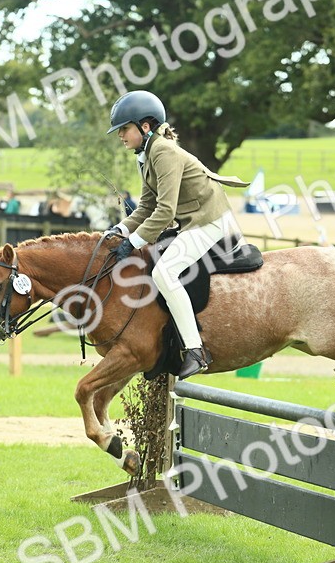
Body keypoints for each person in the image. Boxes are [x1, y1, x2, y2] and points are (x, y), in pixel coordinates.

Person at [104, 90, 249, 378]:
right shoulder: (145, 154)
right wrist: (120, 230)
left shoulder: (163, 151)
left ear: (145, 127)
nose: (120, 136)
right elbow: (146, 205)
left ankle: (195, 350)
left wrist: (133, 242)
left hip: (207, 221)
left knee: (164, 274)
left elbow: (165, 210)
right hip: (191, 221)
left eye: (124, 129)